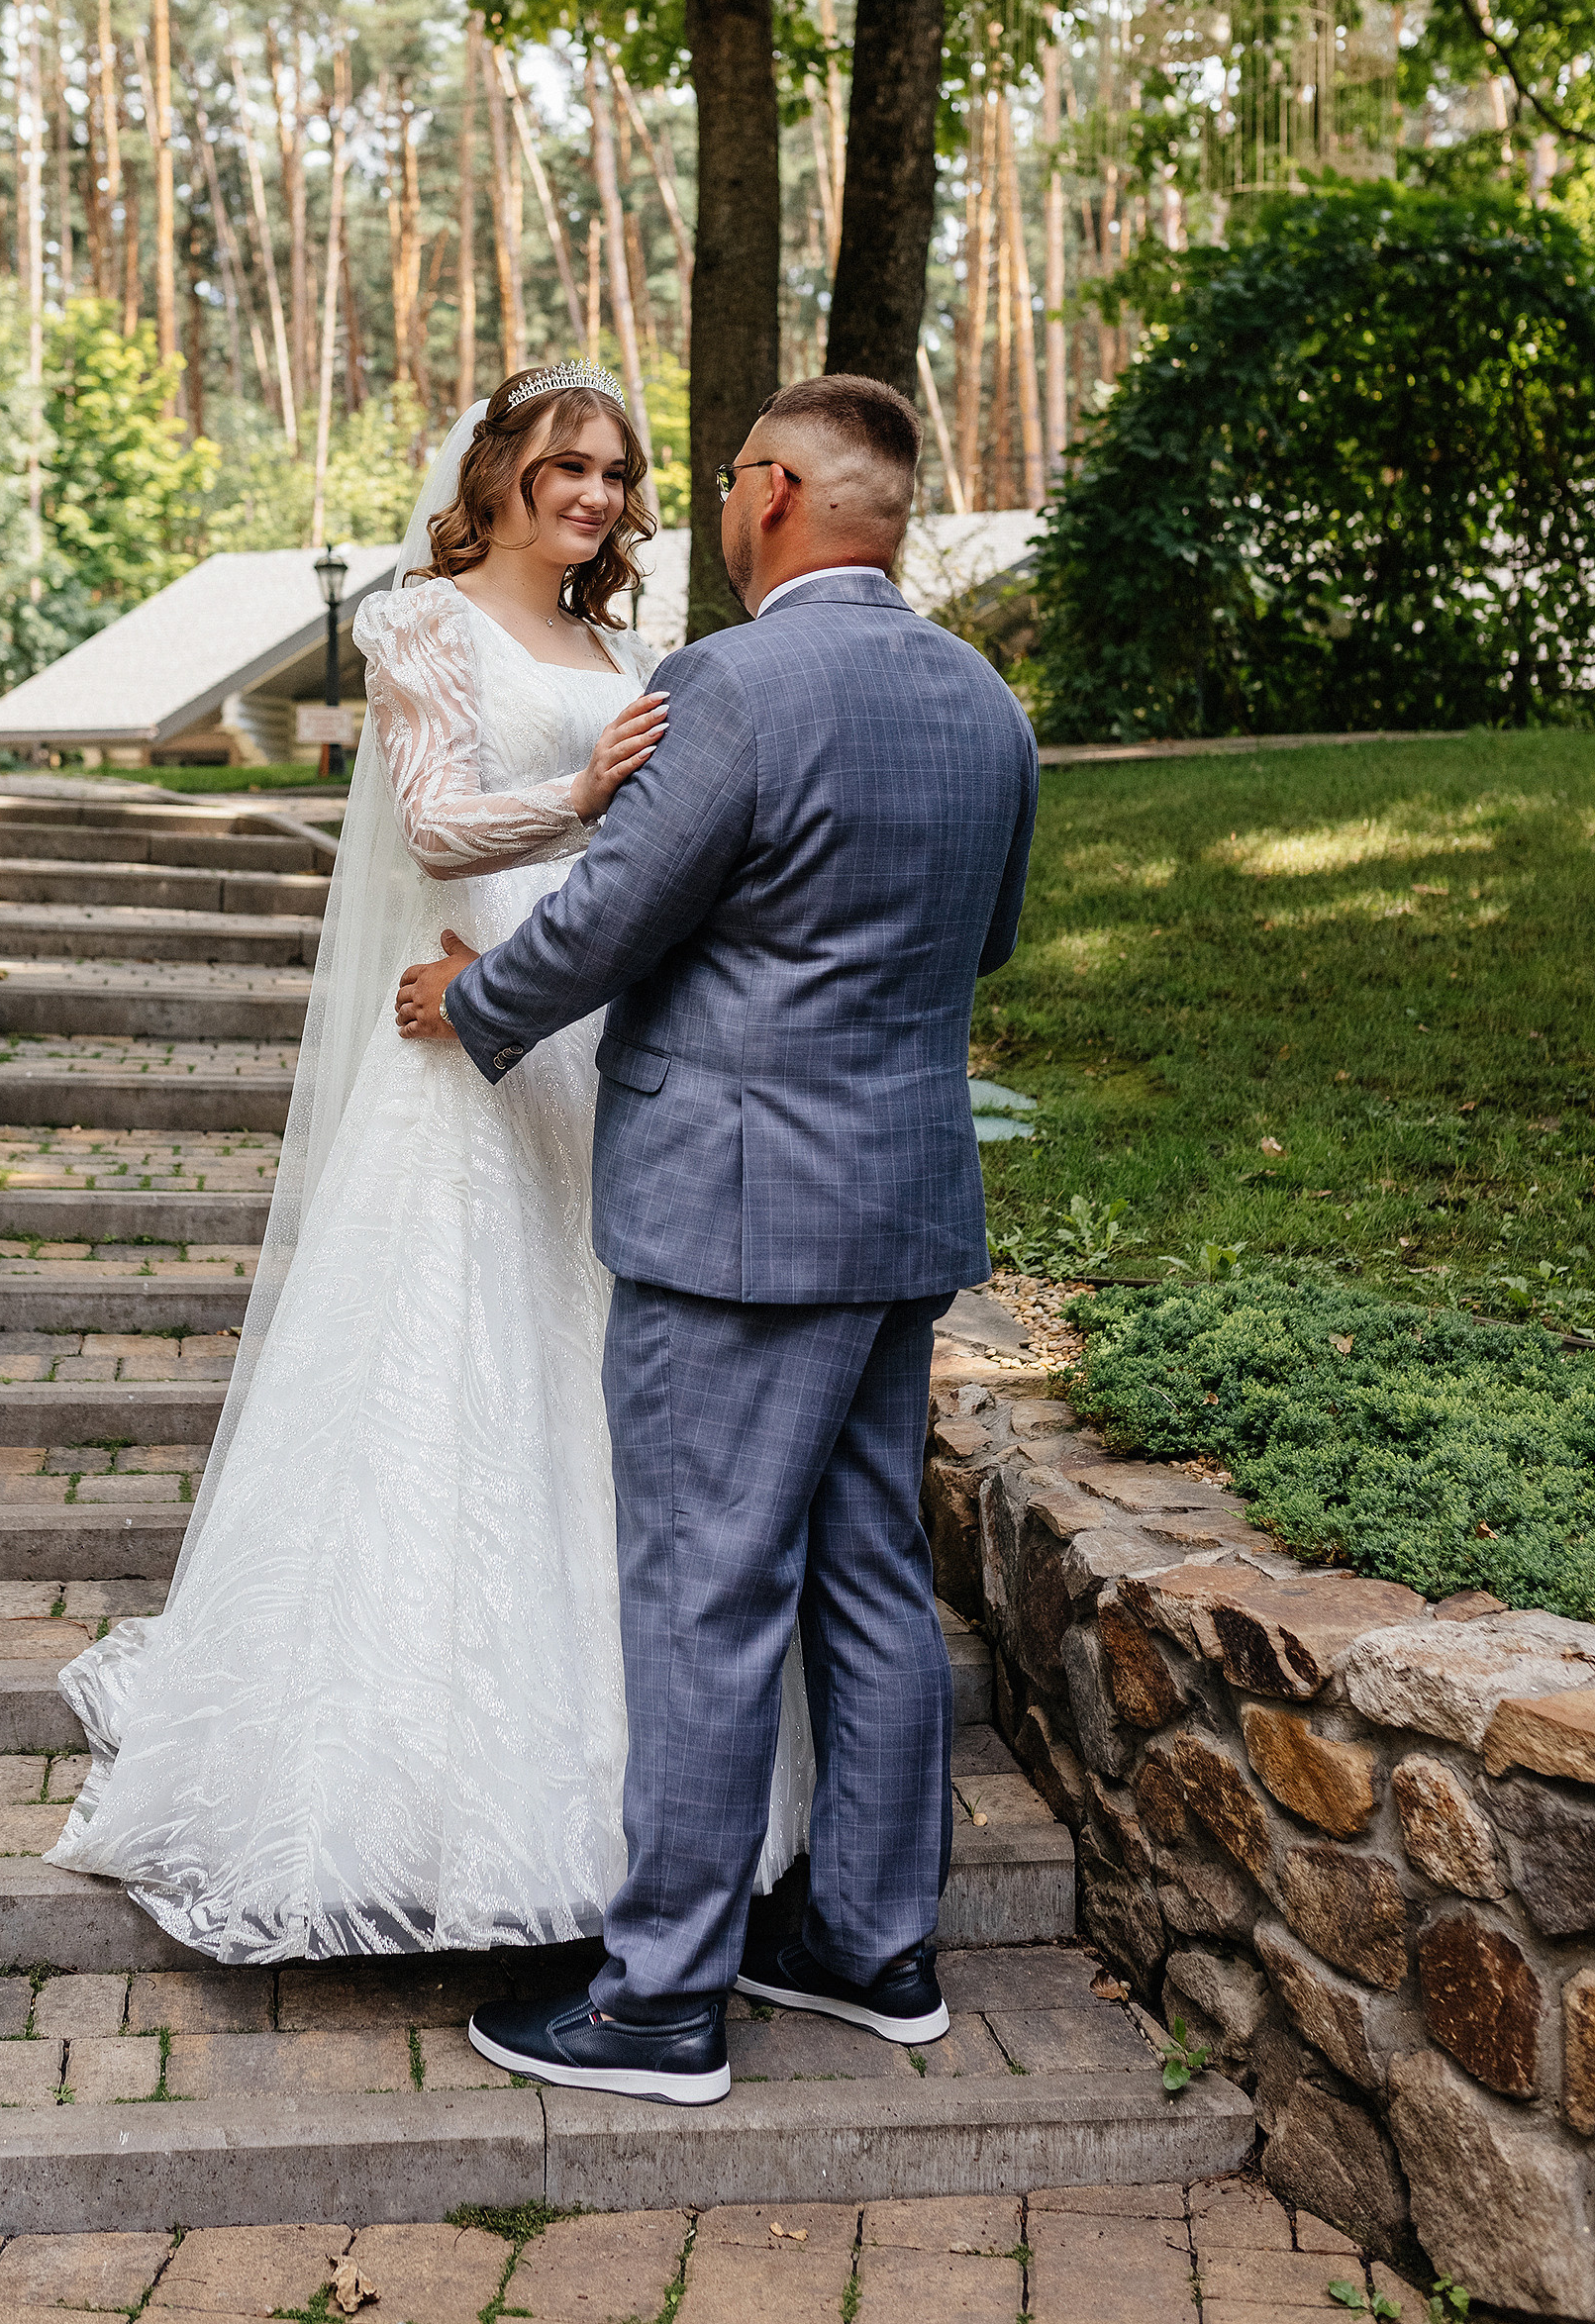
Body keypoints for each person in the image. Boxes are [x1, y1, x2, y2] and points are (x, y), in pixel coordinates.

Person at [46, 363, 814, 1966]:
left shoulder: (626, 650)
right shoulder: (424, 623)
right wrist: (590, 789)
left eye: (615, 472)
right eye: (564, 468)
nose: (594, 496)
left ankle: (634, 1788)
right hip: (459, 1032)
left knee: (599, 1391)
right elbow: (437, 824)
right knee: (446, 1391)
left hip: (596, 1037)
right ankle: (399, 1797)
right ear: (503, 474)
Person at [395, 372, 1039, 2106]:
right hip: (901, 1200)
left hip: (737, 1216)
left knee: (702, 1585)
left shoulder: (730, 685)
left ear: (769, 493)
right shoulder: (988, 702)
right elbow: (980, 949)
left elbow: (614, 913)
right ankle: (872, 1945)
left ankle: (661, 1999)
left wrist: (477, 998)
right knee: (875, 1578)